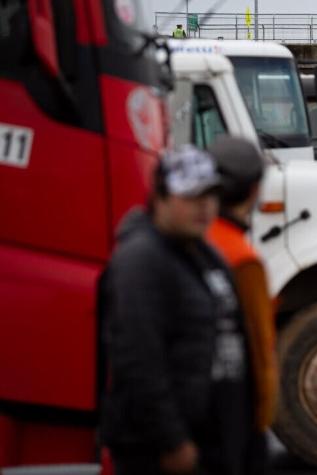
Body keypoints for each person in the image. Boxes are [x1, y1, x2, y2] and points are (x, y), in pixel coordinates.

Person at [100, 145, 259, 475]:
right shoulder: (141, 260)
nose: (204, 206)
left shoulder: (207, 254)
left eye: (211, 195)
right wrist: (171, 441)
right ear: (159, 197)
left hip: (217, 442)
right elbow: (139, 359)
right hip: (166, 452)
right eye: (191, 195)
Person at [205, 137, 278, 468]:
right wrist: (262, 420)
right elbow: (261, 348)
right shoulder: (243, 258)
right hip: (233, 417)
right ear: (253, 190)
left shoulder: (192, 237)